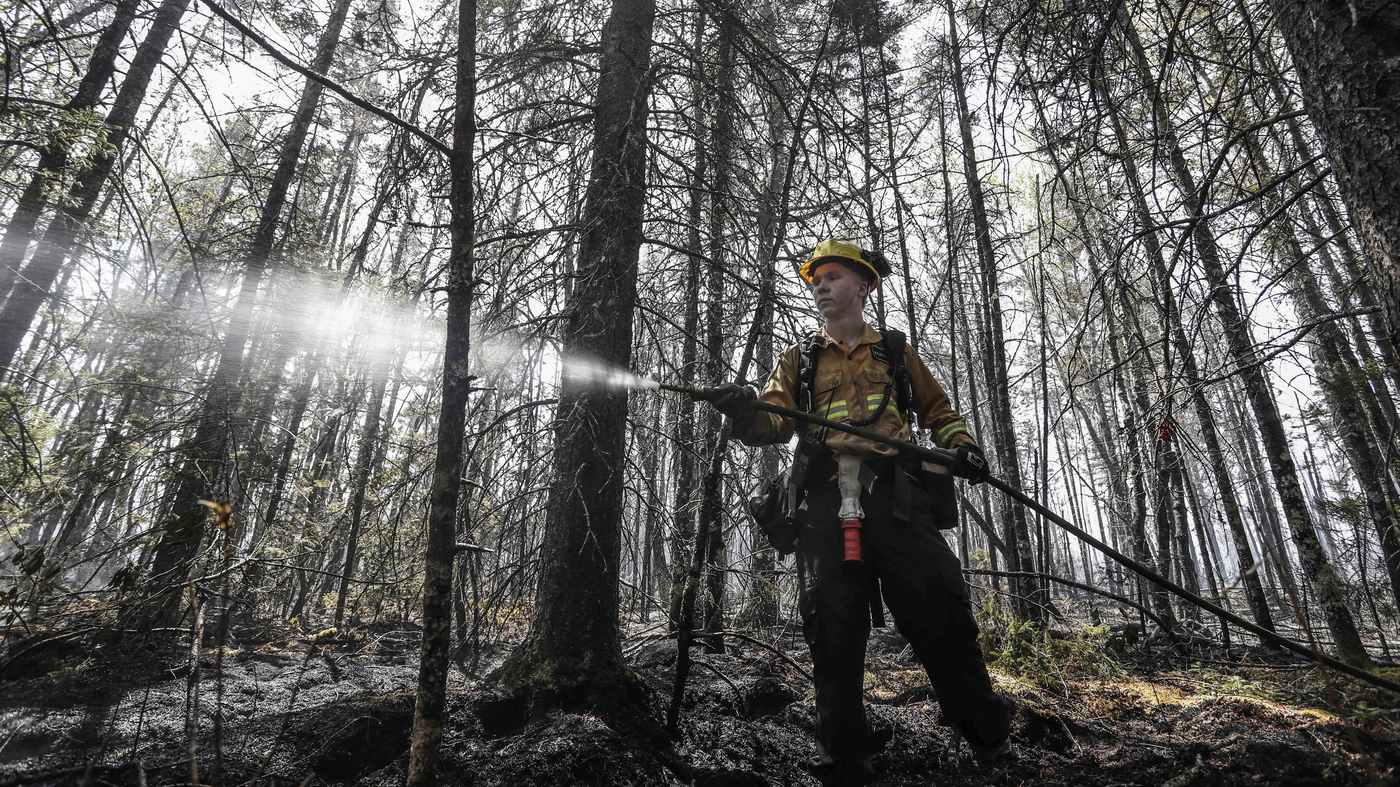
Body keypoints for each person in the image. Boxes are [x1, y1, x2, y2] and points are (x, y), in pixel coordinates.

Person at [710, 240, 1011, 786]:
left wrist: (964, 447)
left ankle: (988, 740)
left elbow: (939, 412)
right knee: (832, 629)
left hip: (897, 499)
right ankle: (844, 762)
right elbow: (772, 424)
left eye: (831, 277)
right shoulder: (798, 359)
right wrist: (742, 412)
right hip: (825, 506)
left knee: (940, 614)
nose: (820, 286)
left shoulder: (895, 352)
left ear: (863, 286)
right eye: (815, 280)